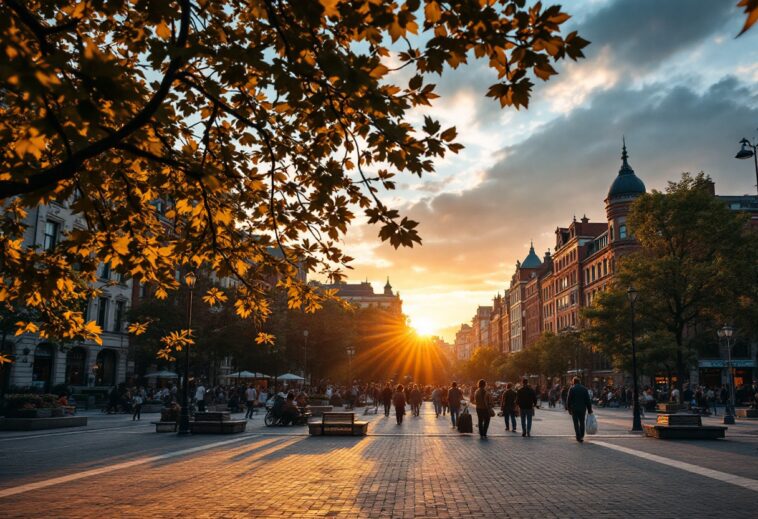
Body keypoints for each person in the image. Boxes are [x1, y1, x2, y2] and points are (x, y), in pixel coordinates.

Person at [566, 377, 593, 442]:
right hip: (582, 409)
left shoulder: (572, 389)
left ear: (573, 382)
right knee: (582, 422)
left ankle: (578, 436)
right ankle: (581, 435)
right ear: (579, 382)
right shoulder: (584, 389)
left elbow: (568, 400)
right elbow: (588, 400)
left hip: (574, 409)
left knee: (576, 423)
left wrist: (568, 408)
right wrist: (589, 409)